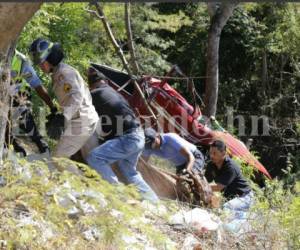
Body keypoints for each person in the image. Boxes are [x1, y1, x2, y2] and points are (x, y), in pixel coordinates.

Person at [84, 66, 158, 202]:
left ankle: (118, 196)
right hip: (138, 135)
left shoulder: (96, 94)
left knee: (95, 158)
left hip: (128, 138)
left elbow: (80, 108)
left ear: (92, 85)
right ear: (104, 81)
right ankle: (154, 201)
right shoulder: (113, 92)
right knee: (129, 171)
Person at [28, 38, 99, 159]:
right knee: (87, 163)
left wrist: (63, 117)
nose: (40, 66)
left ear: (51, 59)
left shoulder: (64, 73)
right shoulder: (58, 74)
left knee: (58, 158)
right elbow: (69, 99)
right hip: (82, 120)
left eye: (42, 63)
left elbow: (76, 96)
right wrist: (56, 113)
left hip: (82, 121)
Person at [6, 49, 55, 155]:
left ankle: (41, 145)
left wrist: (52, 106)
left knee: (22, 113)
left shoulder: (21, 61)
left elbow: (37, 85)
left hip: (17, 94)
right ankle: (10, 144)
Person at [205, 140, 254, 212]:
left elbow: (218, 187)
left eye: (214, 153)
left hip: (245, 197)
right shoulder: (211, 165)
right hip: (230, 198)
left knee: (226, 208)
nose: (211, 156)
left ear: (223, 153)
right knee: (209, 205)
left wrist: (201, 186)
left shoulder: (231, 167)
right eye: (210, 153)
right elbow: (205, 181)